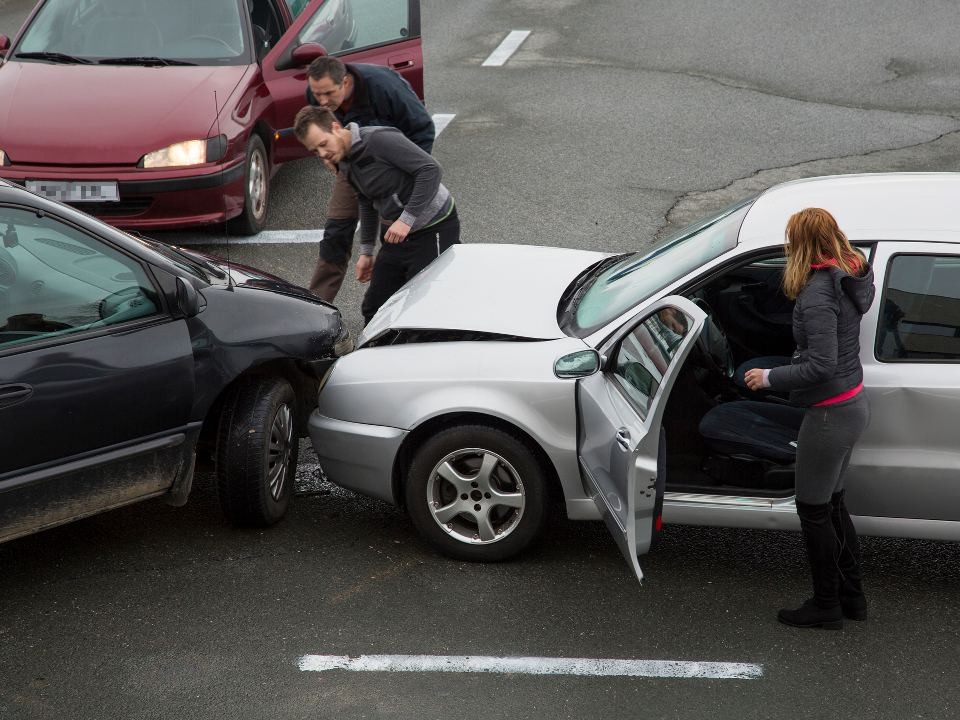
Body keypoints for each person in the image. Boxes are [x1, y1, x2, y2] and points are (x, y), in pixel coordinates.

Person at [744, 207, 875, 630]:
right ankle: (852, 598)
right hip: (850, 404)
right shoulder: (850, 274)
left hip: (829, 415)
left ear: (800, 243)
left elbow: (821, 364)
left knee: (813, 509)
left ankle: (826, 606)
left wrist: (769, 378)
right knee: (834, 506)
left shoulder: (819, 293)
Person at [293, 106, 459, 323]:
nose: (323, 154)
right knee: (374, 307)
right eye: (315, 151)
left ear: (335, 127)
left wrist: (406, 219)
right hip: (397, 233)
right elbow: (366, 199)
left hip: (434, 225)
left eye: (323, 144)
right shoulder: (344, 160)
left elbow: (431, 170)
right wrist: (367, 251)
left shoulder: (379, 140)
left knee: (422, 305)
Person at [304, 56, 435, 301]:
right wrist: (330, 158)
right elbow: (318, 130)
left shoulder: (385, 87)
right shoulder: (318, 94)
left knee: (398, 237)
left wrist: (407, 178)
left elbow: (423, 129)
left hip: (394, 167)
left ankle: (409, 303)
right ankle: (317, 307)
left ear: (345, 82)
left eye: (328, 94)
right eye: (316, 94)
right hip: (351, 166)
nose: (322, 101)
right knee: (336, 232)